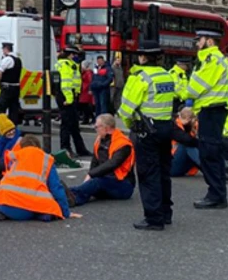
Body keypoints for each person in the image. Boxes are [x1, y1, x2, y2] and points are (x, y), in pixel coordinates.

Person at [0, 135, 79, 224]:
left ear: (22, 147)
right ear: (39, 147)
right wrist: (65, 212)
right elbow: (56, 189)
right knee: (46, 202)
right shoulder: (46, 159)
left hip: (6, 203)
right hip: (27, 210)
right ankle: (43, 214)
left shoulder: (16, 158)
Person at [119, 40, 176, 230]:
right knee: (163, 172)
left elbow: (125, 110)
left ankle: (154, 218)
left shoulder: (139, 77)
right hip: (166, 127)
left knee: (148, 174)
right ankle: (166, 213)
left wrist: (131, 126)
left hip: (146, 131)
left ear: (142, 57)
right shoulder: (166, 76)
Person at [182, 28, 228, 209]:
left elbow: (197, 87)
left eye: (200, 40)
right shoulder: (212, 59)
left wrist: (182, 92)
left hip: (212, 110)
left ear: (210, 41)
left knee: (209, 153)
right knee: (211, 152)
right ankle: (217, 194)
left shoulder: (211, 59)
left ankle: (216, 195)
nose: (197, 43)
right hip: (211, 110)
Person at [68, 114, 135, 206]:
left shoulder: (123, 144)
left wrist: (91, 174)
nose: (95, 129)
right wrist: (90, 177)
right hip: (106, 181)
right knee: (92, 185)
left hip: (123, 185)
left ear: (106, 128)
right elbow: (95, 162)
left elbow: (112, 164)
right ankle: (66, 195)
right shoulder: (100, 140)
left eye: (97, 127)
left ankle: (71, 197)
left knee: (96, 183)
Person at [57, 47, 90, 157]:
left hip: (71, 95)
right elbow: (66, 83)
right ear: (70, 55)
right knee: (66, 124)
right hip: (67, 96)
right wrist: (69, 99)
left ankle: (80, 148)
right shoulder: (65, 64)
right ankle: (65, 149)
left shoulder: (70, 64)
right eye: (75, 55)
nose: (76, 57)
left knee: (74, 124)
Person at [0, 41, 22, 137]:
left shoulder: (7, 59)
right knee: (14, 110)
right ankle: (13, 130)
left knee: (1, 109)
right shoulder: (18, 60)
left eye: (3, 49)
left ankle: (0, 130)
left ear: (6, 49)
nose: (2, 51)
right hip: (16, 88)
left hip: (7, 88)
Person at [171, 109, 200, 177]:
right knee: (186, 145)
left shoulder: (194, 125)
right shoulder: (174, 126)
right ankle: (210, 168)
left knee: (191, 146)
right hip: (172, 164)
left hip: (182, 165)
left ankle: (211, 168)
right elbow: (186, 140)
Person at [79, 60, 95, 125]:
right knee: (85, 106)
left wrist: (89, 89)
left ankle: (88, 119)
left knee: (85, 106)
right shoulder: (87, 72)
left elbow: (90, 81)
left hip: (86, 90)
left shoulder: (88, 73)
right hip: (85, 90)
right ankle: (88, 118)